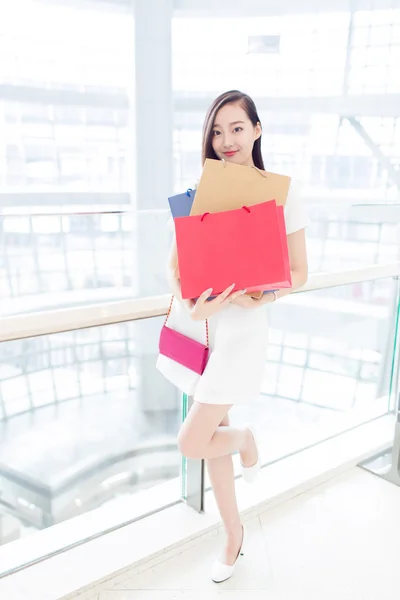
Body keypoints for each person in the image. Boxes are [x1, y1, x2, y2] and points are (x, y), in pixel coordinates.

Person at [164, 90, 308, 583]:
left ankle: (246, 439)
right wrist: (187, 302)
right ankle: (233, 535)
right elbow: (173, 267)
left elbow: (299, 272)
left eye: (237, 128)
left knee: (192, 441)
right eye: (218, 131)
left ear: (257, 130)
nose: (227, 140)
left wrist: (262, 297)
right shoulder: (198, 190)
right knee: (210, 440)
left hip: (244, 332)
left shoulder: (282, 194)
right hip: (209, 328)